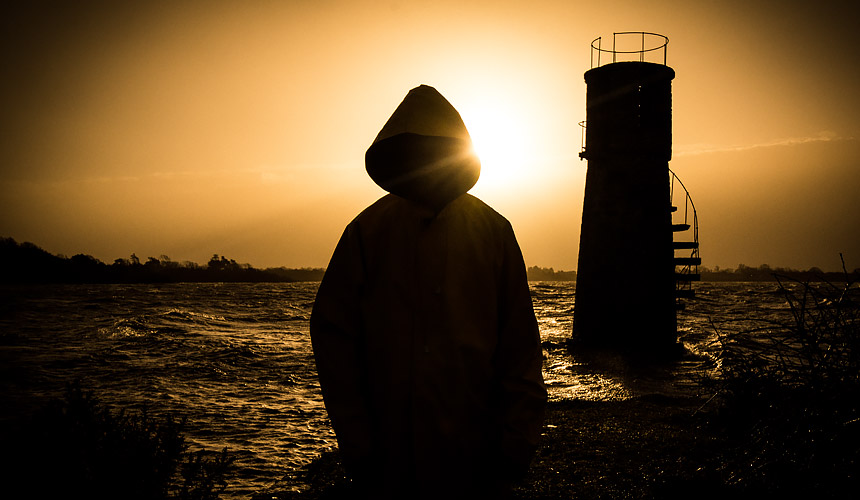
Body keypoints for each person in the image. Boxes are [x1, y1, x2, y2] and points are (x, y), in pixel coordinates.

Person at [310, 84, 546, 498]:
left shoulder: (493, 232)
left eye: (435, 153)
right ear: (400, 158)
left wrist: (518, 440)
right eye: (417, 155)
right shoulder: (367, 233)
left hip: (478, 450)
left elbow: (520, 344)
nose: (427, 165)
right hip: (387, 453)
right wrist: (357, 438)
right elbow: (334, 339)